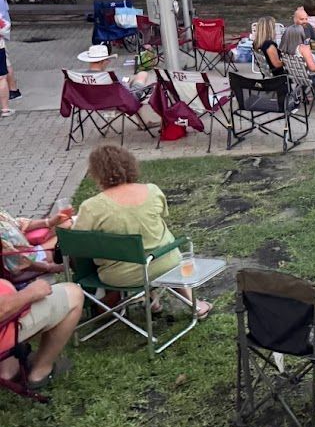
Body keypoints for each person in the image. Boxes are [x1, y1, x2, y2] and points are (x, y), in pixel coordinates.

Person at [73, 145, 211, 319]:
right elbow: (163, 215)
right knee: (158, 236)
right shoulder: (152, 191)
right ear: (130, 164)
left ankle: (144, 300)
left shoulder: (91, 207)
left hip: (122, 276)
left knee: (122, 247)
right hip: (166, 263)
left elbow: (77, 243)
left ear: (96, 172)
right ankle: (193, 304)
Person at [0, 241, 83, 391]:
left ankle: (8, 370)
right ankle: (40, 373)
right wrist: (31, 292)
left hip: (7, 309)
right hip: (6, 320)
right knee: (74, 293)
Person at [279, 24, 315, 97]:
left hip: (298, 77)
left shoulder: (284, 48)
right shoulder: (303, 48)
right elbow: (313, 68)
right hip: (314, 78)